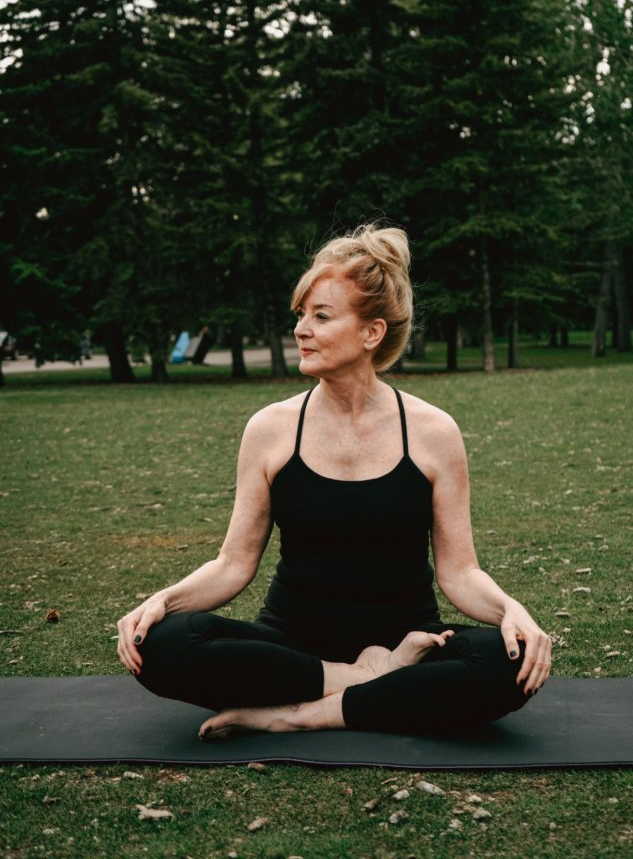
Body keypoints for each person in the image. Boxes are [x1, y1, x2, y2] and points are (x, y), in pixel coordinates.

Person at [117, 225, 552, 740]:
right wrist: (164, 601)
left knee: (514, 659)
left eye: (321, 316)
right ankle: (365, 685)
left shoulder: (434, 433)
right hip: (291, 647)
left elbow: (459, 572)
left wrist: (511, 610)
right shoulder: (270, 429)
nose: (302, 329)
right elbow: (233, 564)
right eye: (301, 315)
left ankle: (302, 713)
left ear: (371, 333)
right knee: (158, 643)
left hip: (410, 640)